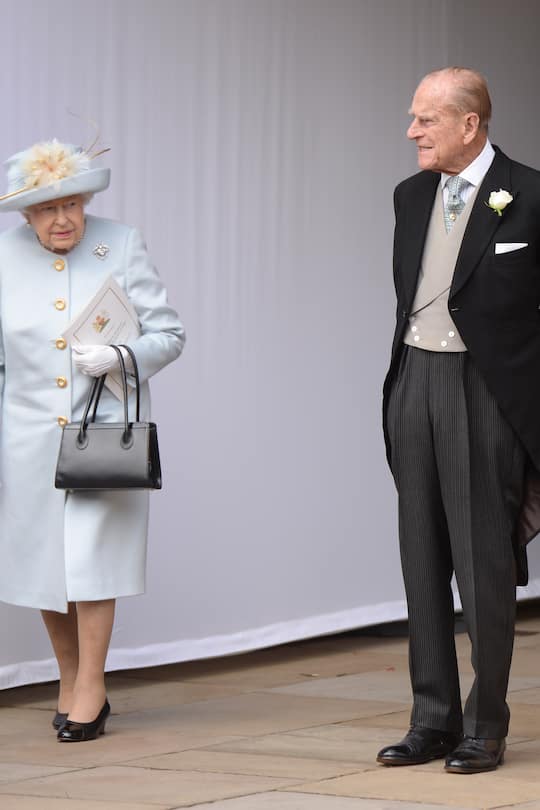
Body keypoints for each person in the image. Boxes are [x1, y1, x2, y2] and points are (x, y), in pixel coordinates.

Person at [378, 67, 540, 774]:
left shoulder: (531, 195)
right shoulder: (410, 196)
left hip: (486, 391)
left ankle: (486, 723)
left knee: (483, 565)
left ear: (469, 124)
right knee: (420, 558)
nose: (412, 132)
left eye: (426, 120)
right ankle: (432, 719)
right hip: (414, 378)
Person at [0, 138, 185, 742]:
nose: (63, 220)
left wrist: (121, 355)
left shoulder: (120, 243)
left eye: (74, 205)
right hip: (25, 437)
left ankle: (93, 685)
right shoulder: (1, 254)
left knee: (93, 563)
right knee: (44, 569)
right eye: (49, 209)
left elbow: (169, 334)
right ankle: (69, 674)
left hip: (103, 435)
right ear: (26, 215)